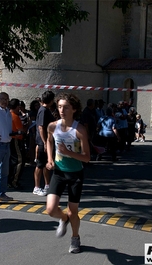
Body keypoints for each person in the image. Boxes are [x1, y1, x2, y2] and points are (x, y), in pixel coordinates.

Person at [45, 93, 90, 254]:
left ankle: (75, 238)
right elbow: (49, 141)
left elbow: (87, 158)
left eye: (66, 107)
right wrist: (50, 158)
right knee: (50, 209)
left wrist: (68, 152)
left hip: (75, 174)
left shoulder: (79, 130)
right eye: (59, 107)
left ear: (74, 109)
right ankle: (63, 219)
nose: (62, 110)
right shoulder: (52, 126)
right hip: (58, 172)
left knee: (73, 211)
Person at [33, 91, 55, 196]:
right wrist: (45, 142)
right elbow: (41, 127)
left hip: (46, 141)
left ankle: (47, 185)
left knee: (46, 164)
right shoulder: (43, 111)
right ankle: (36, 187)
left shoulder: (46, 110)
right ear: (50, 100)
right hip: (43, 142)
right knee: (40, 165)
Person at [8, 98, 26, 189]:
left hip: (10, 139)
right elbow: (21, 130)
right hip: (15, 140)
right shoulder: (15, 116)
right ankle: (14, 181)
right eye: (19, 107)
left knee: (12, 161)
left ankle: (10, 180)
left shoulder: (8, 114)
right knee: (19, 161)